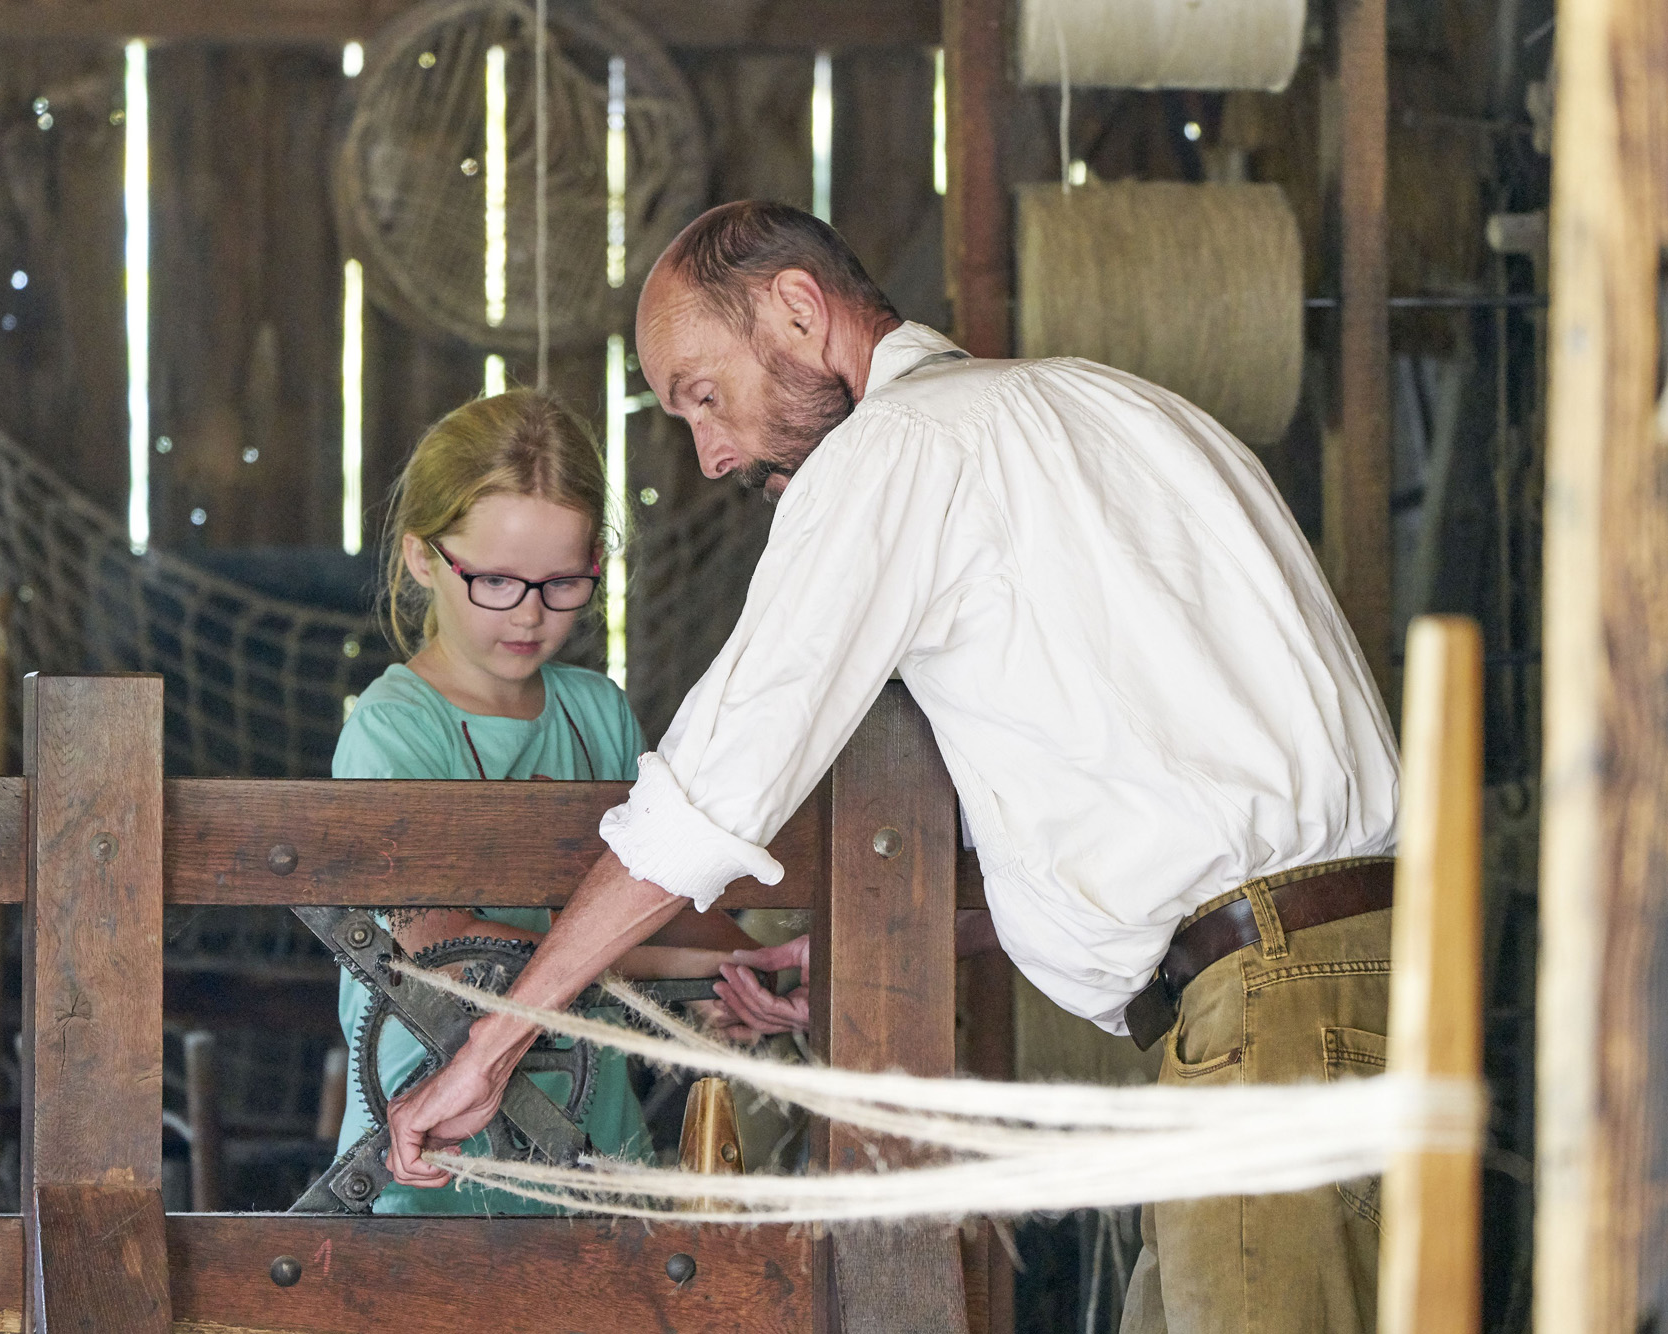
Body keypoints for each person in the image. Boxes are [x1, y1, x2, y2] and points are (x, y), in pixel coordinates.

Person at [382, 202, 1398, 1332]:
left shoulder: (898, 449)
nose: (712, 453)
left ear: (798, 311)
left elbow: (708, 793)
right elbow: (1157, 805)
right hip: (1342, 986)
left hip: (1267, 1020)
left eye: (704, 395)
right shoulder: (1115, 408)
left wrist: (493, 1041)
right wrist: (879, 939)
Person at [332, 387, 758, 1215]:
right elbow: (441, 947)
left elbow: (659, 900)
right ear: (424, 559)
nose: (530, 615)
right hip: (439, 1151)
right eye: (495, 580)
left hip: (593, 1148)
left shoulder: (595, 712)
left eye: (563, 582)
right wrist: (676, 963)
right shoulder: (391, 732)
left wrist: (745, 968)